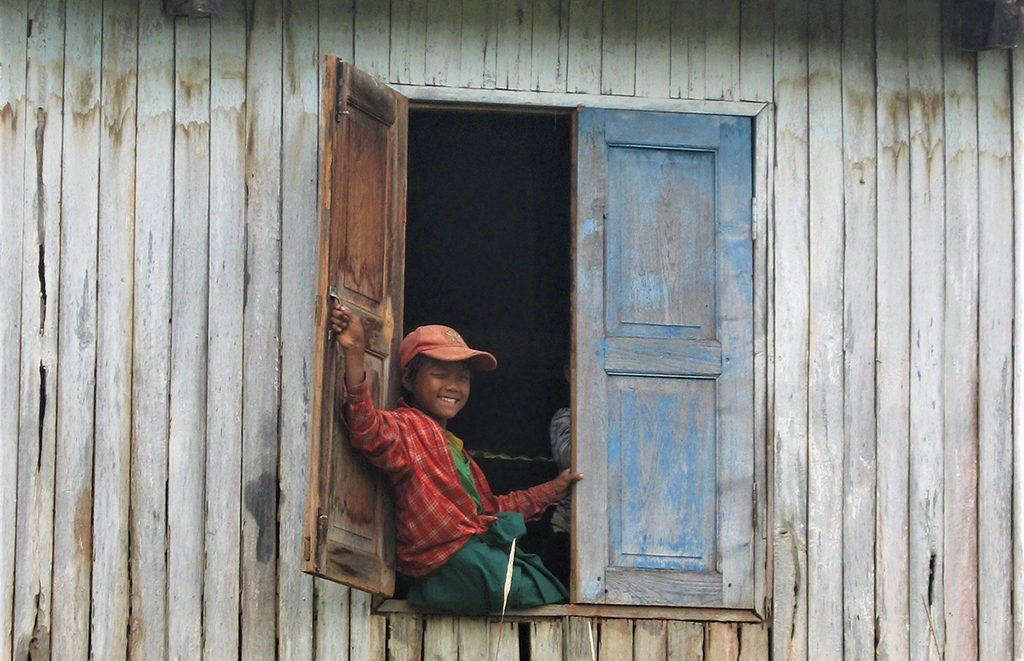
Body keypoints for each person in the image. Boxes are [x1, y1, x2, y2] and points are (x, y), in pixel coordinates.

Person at [330, 302, 583, 614]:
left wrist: (553, 490)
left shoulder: (457, 451)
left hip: (468, 559)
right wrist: (355, 350)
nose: (453, 386)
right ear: (408, 379)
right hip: (444, 564)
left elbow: (492, 510)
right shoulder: (406, 428)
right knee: (529, 584)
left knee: (542, 579)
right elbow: (365, 427)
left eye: (463, 378)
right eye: (439, 375)